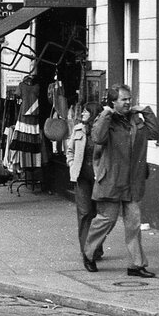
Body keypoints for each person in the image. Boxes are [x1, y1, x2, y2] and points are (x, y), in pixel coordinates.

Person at [82, 84, 159, 276]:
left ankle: (136, 265)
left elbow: (155, 134)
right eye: (123, 99)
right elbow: (98, 138)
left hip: (132, 182)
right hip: (111, 180)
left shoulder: (135, 119)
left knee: (134, 224)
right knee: (106, 220)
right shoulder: (106, 120)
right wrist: (106, 114)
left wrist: (146, 111)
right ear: (113, 102)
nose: (128, 102)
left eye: (129, 99)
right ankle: (89, 254)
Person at [65, 102, 102, 263]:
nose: (82, 114)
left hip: (99, 178)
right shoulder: (78, 129)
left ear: (94, 114)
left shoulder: (102, 132)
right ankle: (86, 251)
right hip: (81, 177)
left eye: (86, 111)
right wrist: (72, 164)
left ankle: (96, 248)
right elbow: (70, 150)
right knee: (85, 213)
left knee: (98, 215)